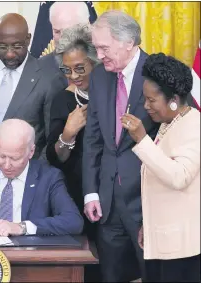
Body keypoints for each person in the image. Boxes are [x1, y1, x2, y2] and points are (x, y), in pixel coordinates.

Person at [83, 11, 160, 282]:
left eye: (104, 48)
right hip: (107, 203)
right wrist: (91, 192)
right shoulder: (99, 77)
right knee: (111, 276)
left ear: (128, 42)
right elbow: (93, 139)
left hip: (147, 201)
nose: (99, 55)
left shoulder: (157, 72)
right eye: (97, 48)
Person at [122, 53, 200, 282]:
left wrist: (142, 140)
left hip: (182, 249)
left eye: (151, 100)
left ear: (173, 99)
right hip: (163, 240)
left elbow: (179, 176)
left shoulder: (194, 125)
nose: (146, 106)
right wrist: (149, 225)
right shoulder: (171, 123)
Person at [45, 24, 101, 281]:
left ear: (95, 61)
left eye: (80, 68)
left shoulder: (112, 95)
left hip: (112, 192)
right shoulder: (62, 100)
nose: (74, 76)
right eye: (66, 70)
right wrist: (68, 133)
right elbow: (56, 159)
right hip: (76, 196)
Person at [0, 13, 64, 159]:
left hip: (28, 175)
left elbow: (51, 139)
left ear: (28, 39)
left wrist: (37, 175)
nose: (9, 54)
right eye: (2, 46)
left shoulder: (49, 79)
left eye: (16, 46)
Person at [38, 2, 91, 89]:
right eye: (57, 32)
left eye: (68, 31)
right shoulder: (40, 68)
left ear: (87, 26)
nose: (62, 39)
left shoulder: (105, 63)